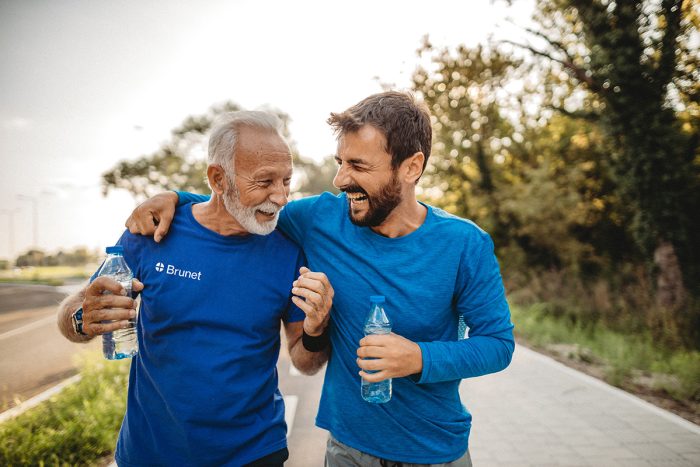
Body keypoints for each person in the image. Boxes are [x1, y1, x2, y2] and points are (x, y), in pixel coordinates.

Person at [127, 92, 515, 466]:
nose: (340, 179)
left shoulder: (465, 244)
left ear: (411, 167)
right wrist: (175, 198)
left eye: (358, 166)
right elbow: (242, 203)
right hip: (349, 449)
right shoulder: (320, 220)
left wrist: (419, 357)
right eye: (340, 161)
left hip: (437, 449)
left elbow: (498, 344)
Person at [57, 111, 335, 467]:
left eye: (286, 181)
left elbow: (305, 361)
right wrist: (82, 319)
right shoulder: (153, 232)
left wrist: (315, 330)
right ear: (218, 179)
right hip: (150, 454)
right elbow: (74, 315)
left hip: (254, 453)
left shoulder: (289, 250)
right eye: (265, 181)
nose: (280, 196)